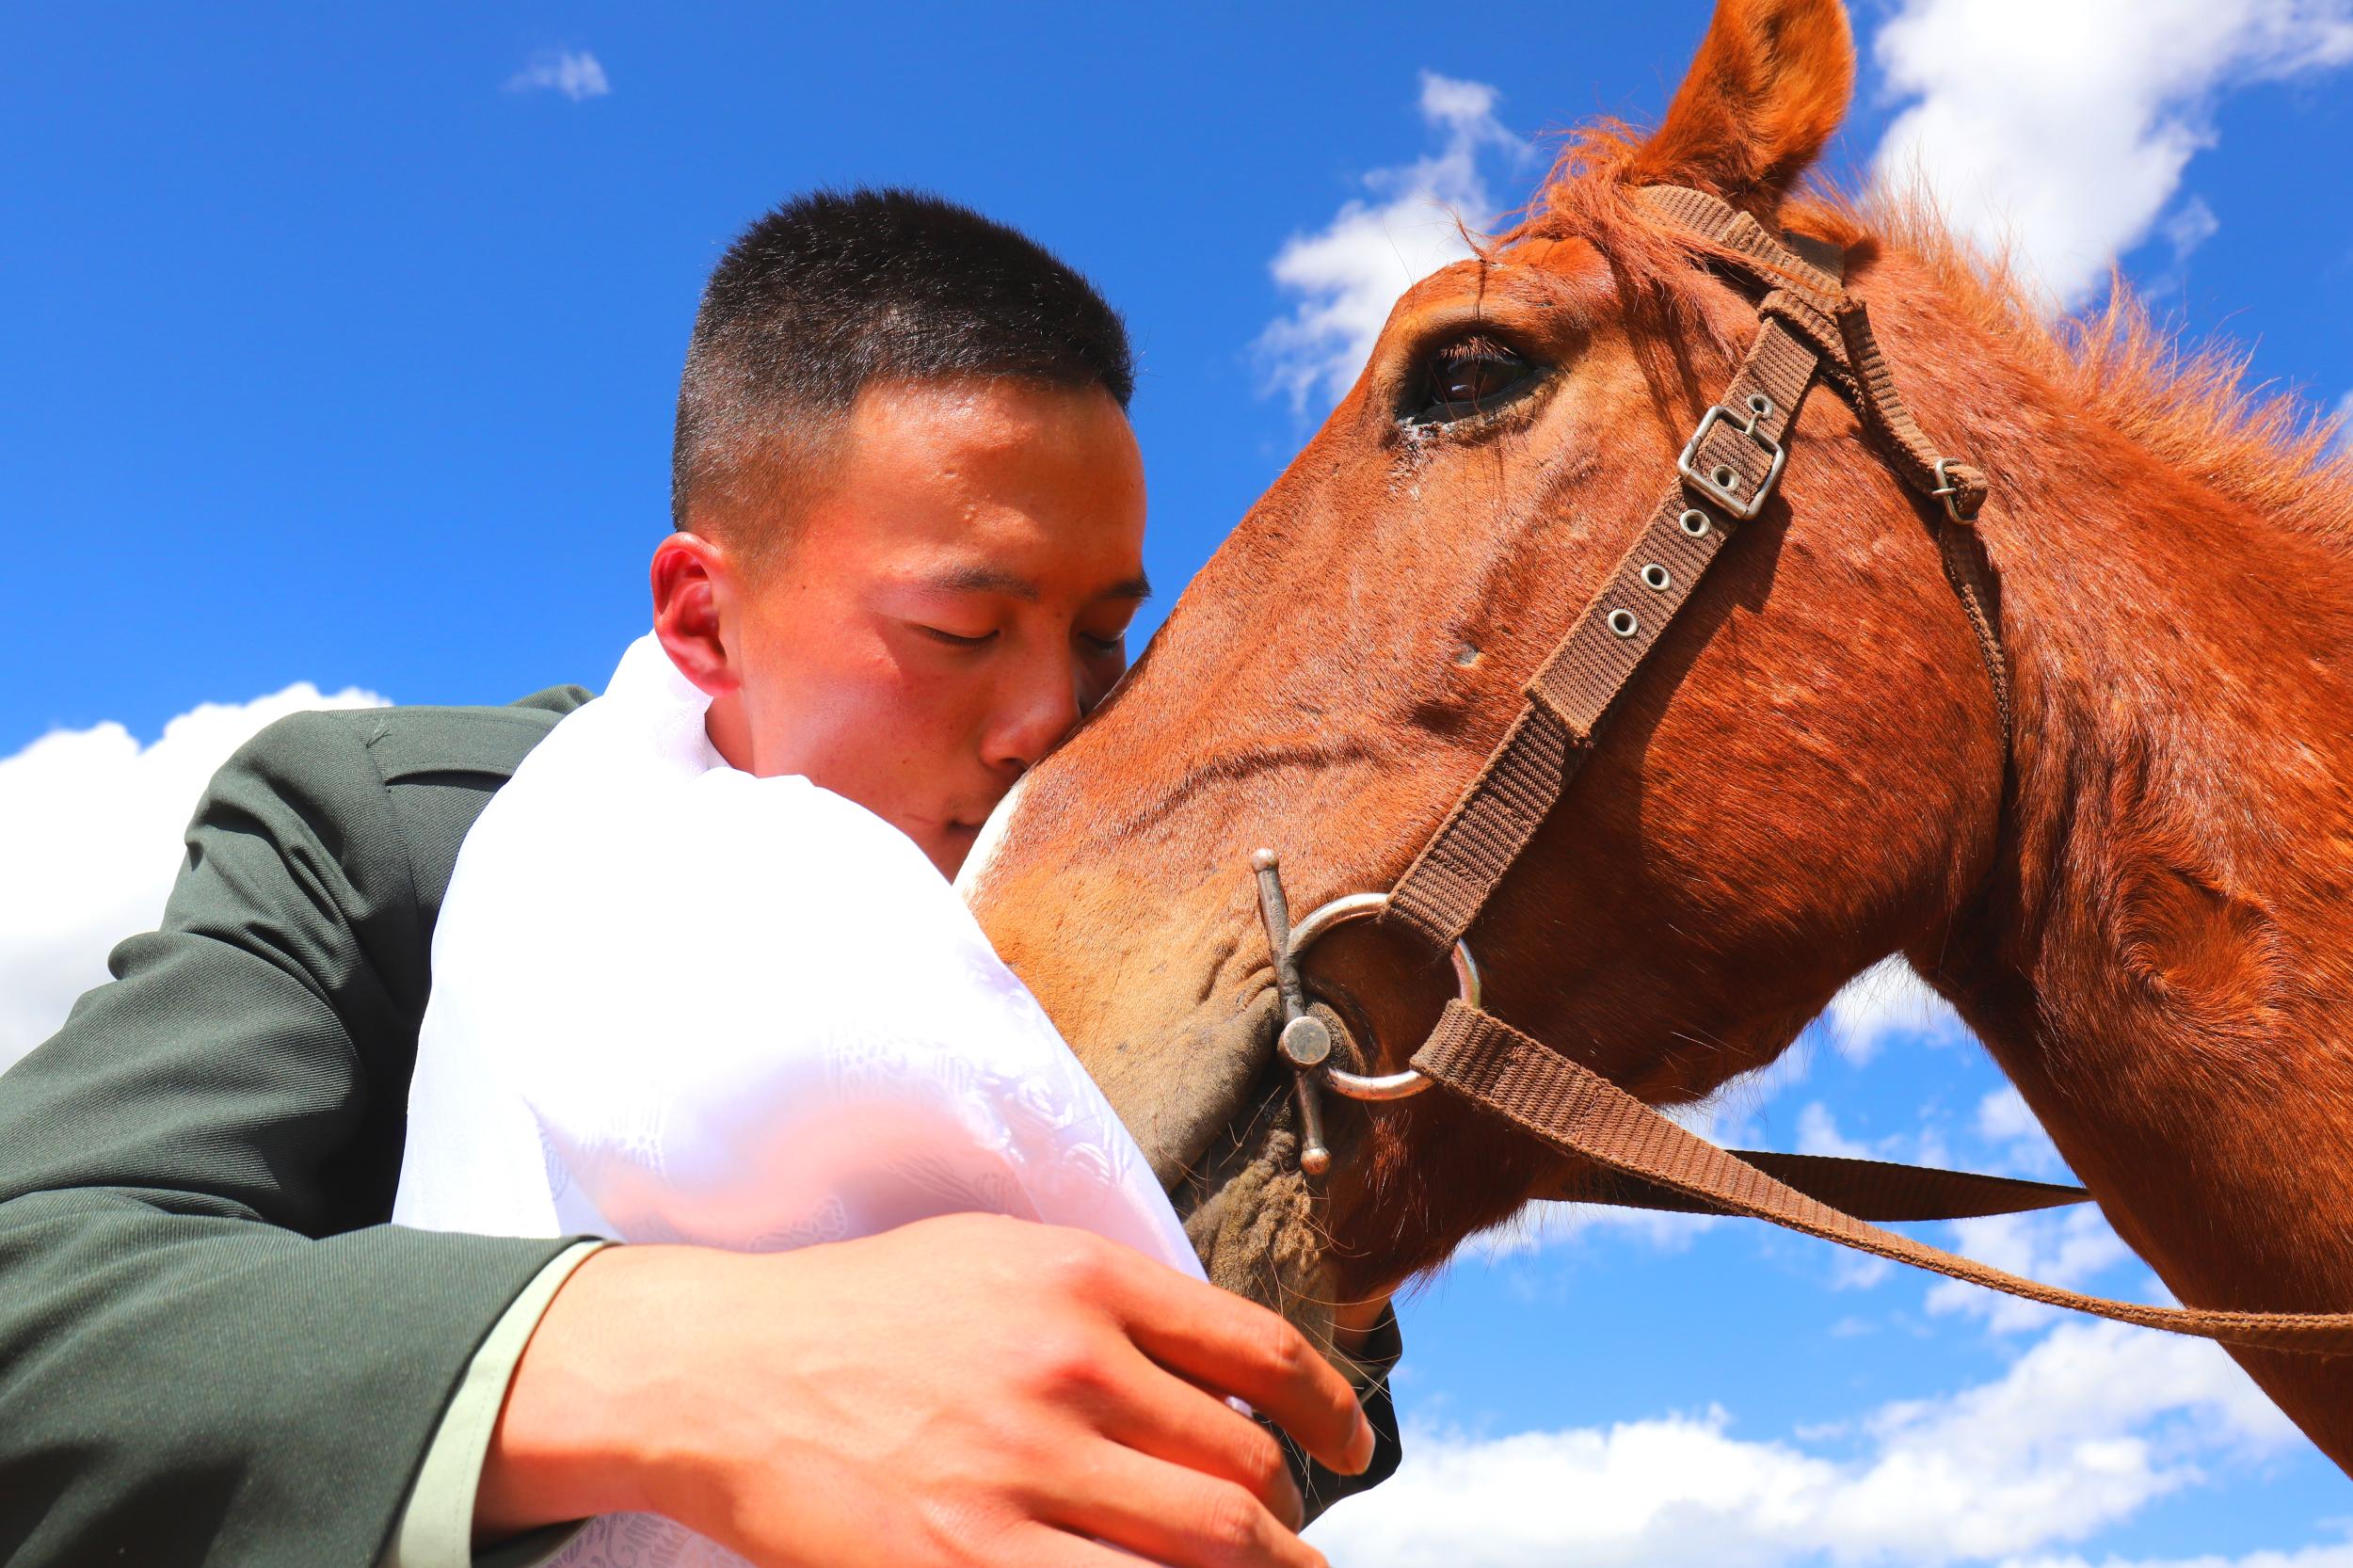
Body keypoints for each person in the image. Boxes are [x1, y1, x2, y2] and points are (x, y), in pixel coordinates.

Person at [0, 189, 1400, 1568]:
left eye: (1103, 639)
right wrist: (703, 1370)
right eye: (965, 627)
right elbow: (41, 1313)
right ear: (702, 617)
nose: (1052, 721)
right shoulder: (394, 834)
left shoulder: (1118, 905)